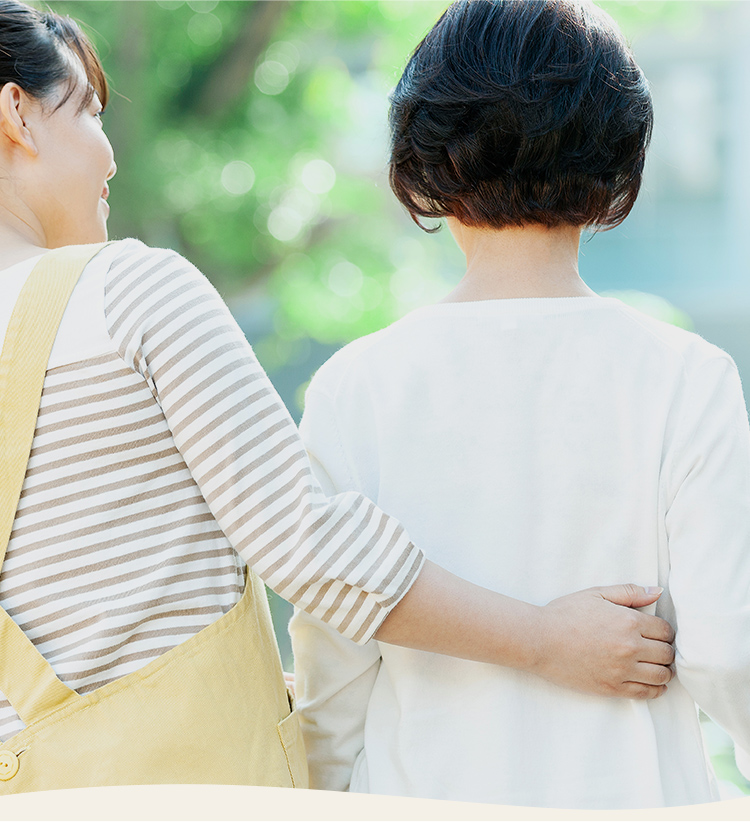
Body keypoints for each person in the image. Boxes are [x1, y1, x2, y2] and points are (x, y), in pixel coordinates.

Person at [0, 0, 675, 793]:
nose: (108, 155)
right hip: (194, 790)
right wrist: (545, 639)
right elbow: (304, 543)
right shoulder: (129, 292)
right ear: (16, 113)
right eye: (86, 112)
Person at [290, 0, 750, 810]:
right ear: (617, 158)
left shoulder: (355, 387)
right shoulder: (687, 376)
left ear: (427, 157)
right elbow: (729, 657)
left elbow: (334, 678)